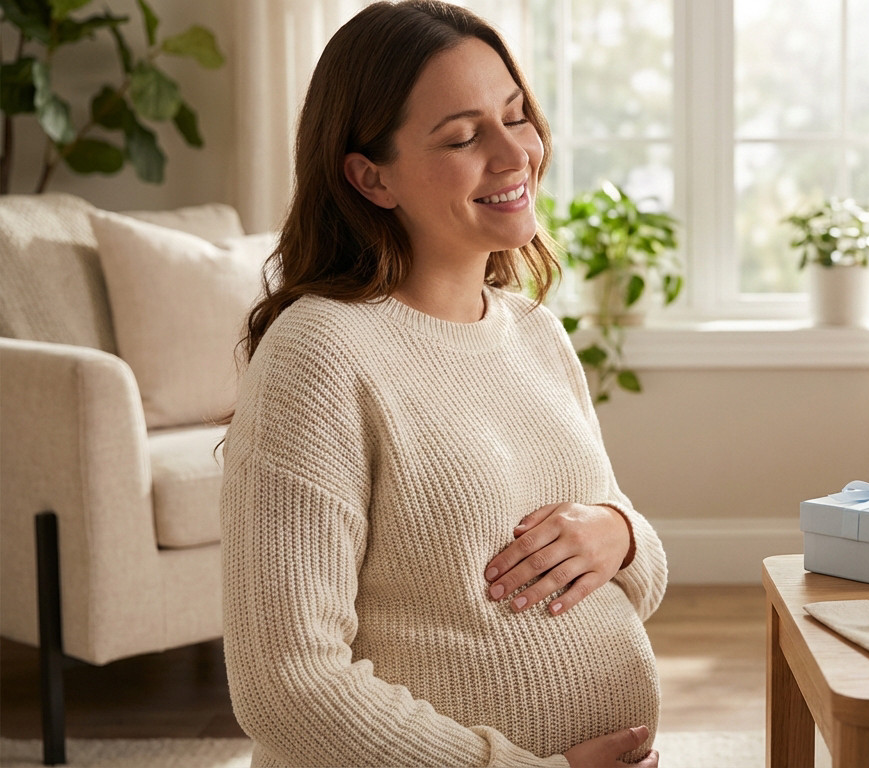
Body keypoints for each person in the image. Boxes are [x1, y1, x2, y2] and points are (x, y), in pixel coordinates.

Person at [219, 2, 666, 766]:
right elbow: (286, 682)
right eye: (463, 136)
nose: (514, 152)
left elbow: (633, 569)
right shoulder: (320, 355)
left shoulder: (533, 331)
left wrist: (620, 536)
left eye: (517, 116)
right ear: (370, 176)